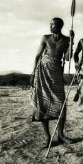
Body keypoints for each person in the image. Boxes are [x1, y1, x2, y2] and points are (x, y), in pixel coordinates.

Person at [30, 17, 74, 148]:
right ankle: (47, 137)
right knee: (43, 105)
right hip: (43, 72)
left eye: (52, 25)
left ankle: (60, 135)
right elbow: (38, 56)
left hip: (56, 72)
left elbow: (67, 58)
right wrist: (33, 74)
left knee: (61, 105)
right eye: (50, 24)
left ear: (59, 26)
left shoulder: (66, 40)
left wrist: (72, 42)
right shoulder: (45, 38)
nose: (50, 27)